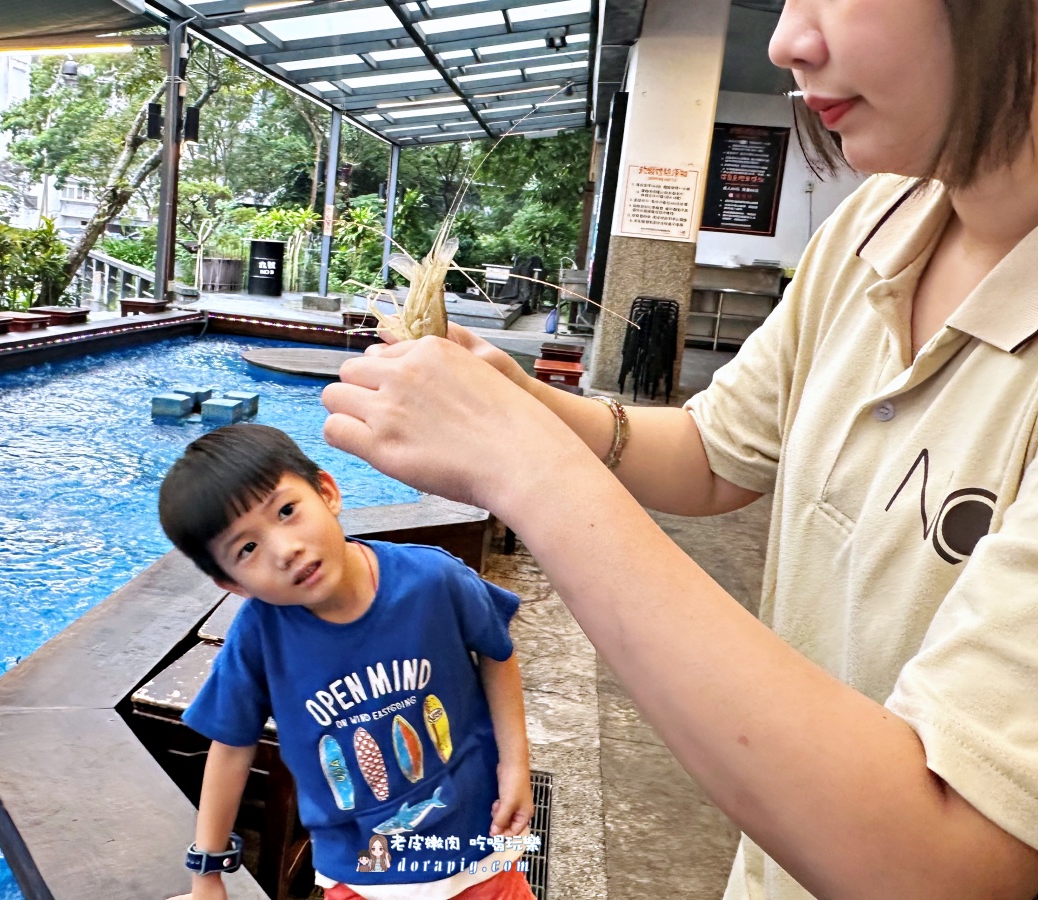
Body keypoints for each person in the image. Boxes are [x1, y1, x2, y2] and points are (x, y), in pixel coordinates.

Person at [319, 1, 1038, 897]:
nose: (784, 41)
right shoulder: (875, 222)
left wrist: (524, 465)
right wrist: (526, 403)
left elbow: (951, 863)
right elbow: (714, 451)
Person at [158, 424, 536, 900]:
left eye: (287, 511)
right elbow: (231, 747)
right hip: (360, 875)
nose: (284, 549)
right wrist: (207, 874)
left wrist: (515, 768)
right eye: (247, 549)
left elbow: (497, 652)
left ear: (327, 491)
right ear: (231, 583)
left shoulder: (433, 580)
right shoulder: (259, 637)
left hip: (482, 849)